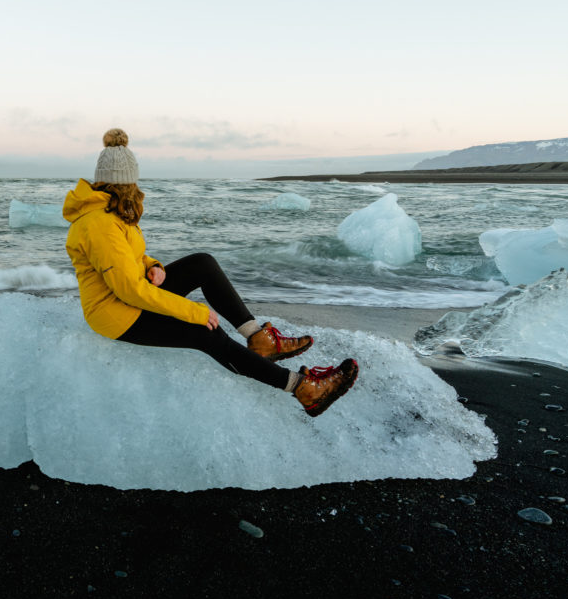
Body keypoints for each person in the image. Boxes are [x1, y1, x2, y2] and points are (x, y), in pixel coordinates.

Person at [63, 128, 359, 417]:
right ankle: (302, 389)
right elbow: (128, 290)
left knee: (202, 263)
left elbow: (131, 256)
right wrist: (194, 312)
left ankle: (258, 338)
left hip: (130, 295)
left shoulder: (112, 212)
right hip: (117, 315)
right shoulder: (99, 224)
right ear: (123, 184)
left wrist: (153, 266)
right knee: (204, 331)